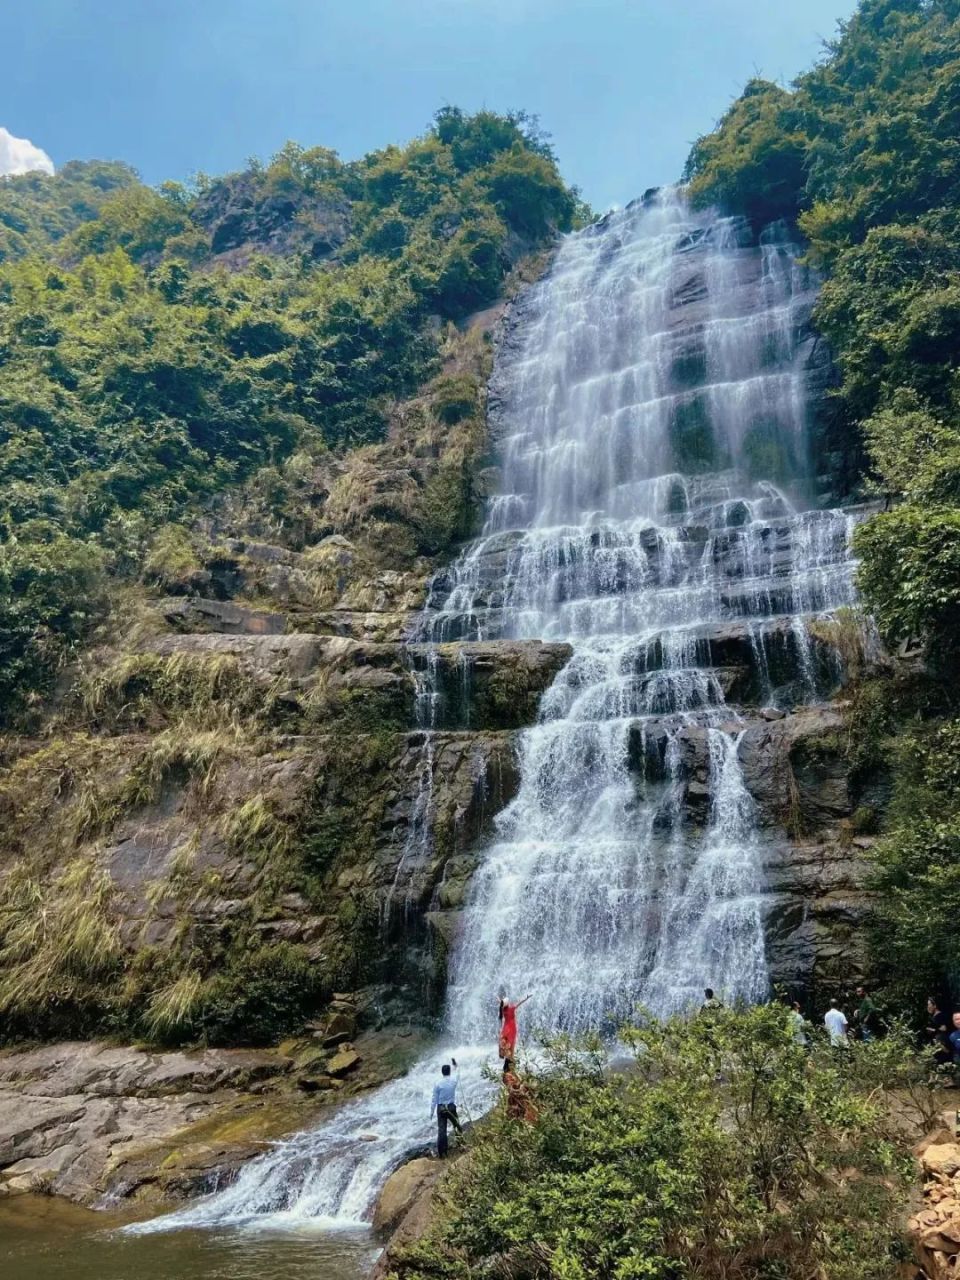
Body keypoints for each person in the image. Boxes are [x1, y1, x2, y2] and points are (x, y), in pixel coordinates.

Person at [430, 1061, 462, 1158]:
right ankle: (460, 1144)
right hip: (451, 1107)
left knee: (442, 1130)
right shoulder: (453, 1081)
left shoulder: (438, 1084)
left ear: (442, 1072)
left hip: (441, 1108)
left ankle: (442, 1152)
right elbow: (458, 1072)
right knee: (456, 1125)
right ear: (449, 1072)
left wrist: (431, 1112)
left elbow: (434, 1099)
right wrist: (456, 1065)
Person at [502, 1058, 538, 1124]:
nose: (514, 1066)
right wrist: (520, 1087)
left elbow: (520, 1081)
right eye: (513, 1065)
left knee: (532, 1108)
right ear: (509, 1065)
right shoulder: (506, 1075)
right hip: (517, 1096)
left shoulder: (513, 1073)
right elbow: (510, 1088)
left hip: (523, 1093)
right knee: (527, 1111)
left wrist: (515, 1074)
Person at [498, 994, 531, 1061]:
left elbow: (500, 1002)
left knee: (504, 1041)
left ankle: (503, 1054)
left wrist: (497, 998)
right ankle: (509, 1056)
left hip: (506, 1026)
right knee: (510, 1042)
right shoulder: (512, 1008)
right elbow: (520, 1003)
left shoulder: (502, 1009)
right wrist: (526, 998)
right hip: (512, 1027)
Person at [926, 997, 952, 1065]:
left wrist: (932, 1029)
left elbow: (944, 1028)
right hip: (936, 1047)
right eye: (927, 1005)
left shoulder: (940, 1015)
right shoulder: (933, 1017)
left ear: (935, 1005)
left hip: (941, 1046)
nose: (928, 1007)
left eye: (929, 1005)